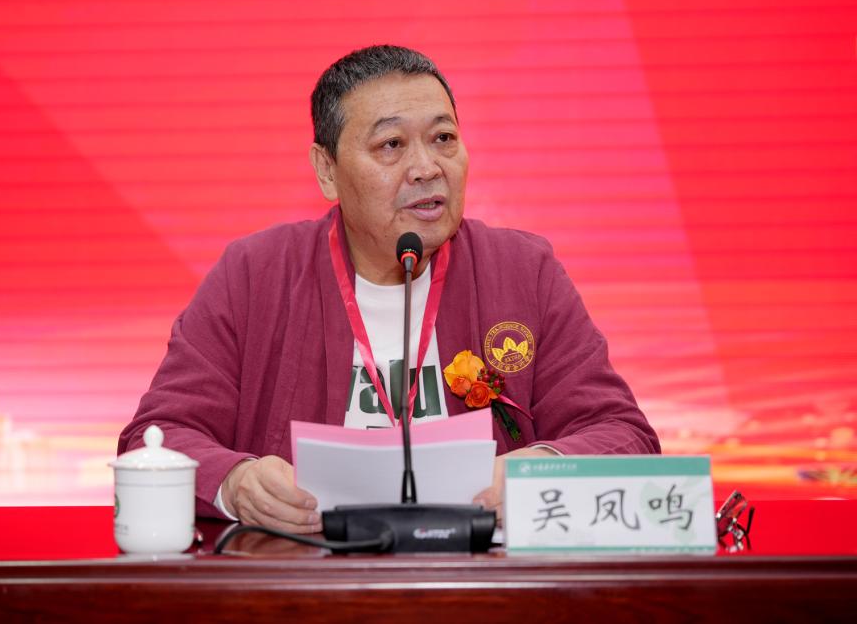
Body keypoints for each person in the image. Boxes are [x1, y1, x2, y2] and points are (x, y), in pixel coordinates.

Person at [118, 45, 659, 535]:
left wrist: (540, 470)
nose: (426, 168)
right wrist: (236, 481)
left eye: (443, 138)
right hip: (306, 580)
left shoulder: (522, 271)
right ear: (326, 170)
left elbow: (624, 434)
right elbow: (156, 435)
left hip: (480, 581)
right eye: (391, 145)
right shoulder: (255, 274)